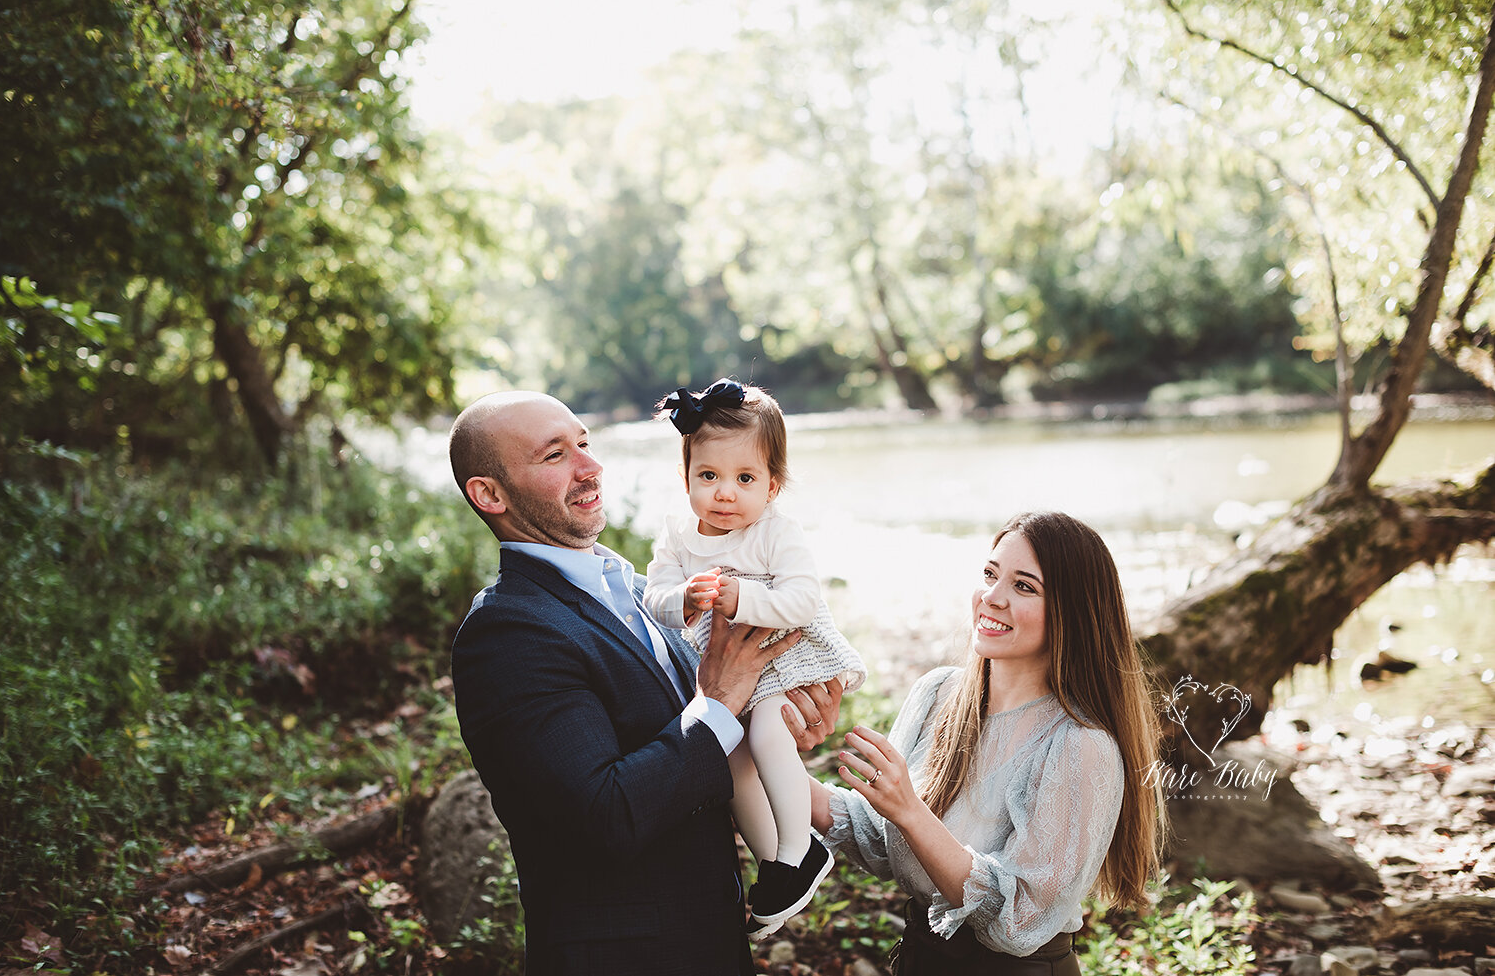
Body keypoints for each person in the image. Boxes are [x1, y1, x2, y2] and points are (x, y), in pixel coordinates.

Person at [447, 391, 844, 976]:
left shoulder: (642, 594)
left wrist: (770, 726)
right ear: (491, 494)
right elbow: (606, 814)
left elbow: (700, 754)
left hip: (713, 939)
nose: (590, 467)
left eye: (584, 443)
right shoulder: (507, 632)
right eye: (555, 455)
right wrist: (722, 704)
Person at [810, 511, 1165, 975]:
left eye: (1024, 586)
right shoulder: (938, 695)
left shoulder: (1080, 746)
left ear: (1072, 613)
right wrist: (752, 748)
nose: (991, 598)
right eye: (990, 574)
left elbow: (1019, 923)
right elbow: (879, 837)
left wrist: (910, 810)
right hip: (921, 957)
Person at [641, 379, 868, 938]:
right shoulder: (675, 535)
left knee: (767, 736)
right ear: (685, 477)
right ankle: (775, 860)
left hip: (780, 655)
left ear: (773, 485)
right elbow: (654, 599)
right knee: (730, 759)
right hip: (719, 669)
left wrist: (744, 597)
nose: (725, 493)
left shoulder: (775, 533)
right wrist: (684, 599)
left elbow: (802, 600)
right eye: (709, 477)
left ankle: (798, 849)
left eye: (745, 479)